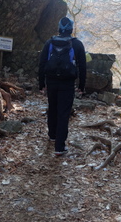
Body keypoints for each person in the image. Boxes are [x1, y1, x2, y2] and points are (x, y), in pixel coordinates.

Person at [38, 17, 87, 156]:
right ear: (71, 29)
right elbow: (82, 67)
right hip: (67, 83)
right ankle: (59, 147)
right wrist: (81, 86)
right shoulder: (77, 44)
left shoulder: (50, 42)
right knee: (63, 113)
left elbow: (42, 64)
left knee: (52, 108)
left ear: (59, 28)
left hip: (51, 82)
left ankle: (52, 135)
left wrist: (42, 84)